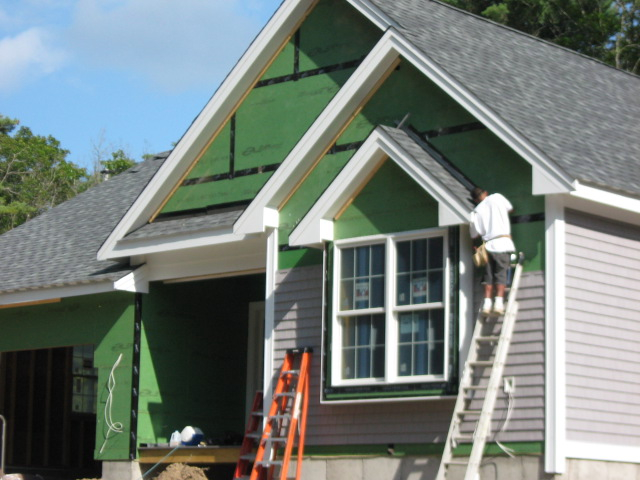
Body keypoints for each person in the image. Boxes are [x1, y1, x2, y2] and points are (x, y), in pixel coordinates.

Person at [469, 187, 515, 315]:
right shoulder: (497, 197)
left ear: (475, 200)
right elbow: (510, 209)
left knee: (488, 276)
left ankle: (487, 305)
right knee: (501, 274)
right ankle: (498, 304)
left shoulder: (476, 212)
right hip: (502, 243)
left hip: (488, 246)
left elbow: (474, 235)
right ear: (485, 193)